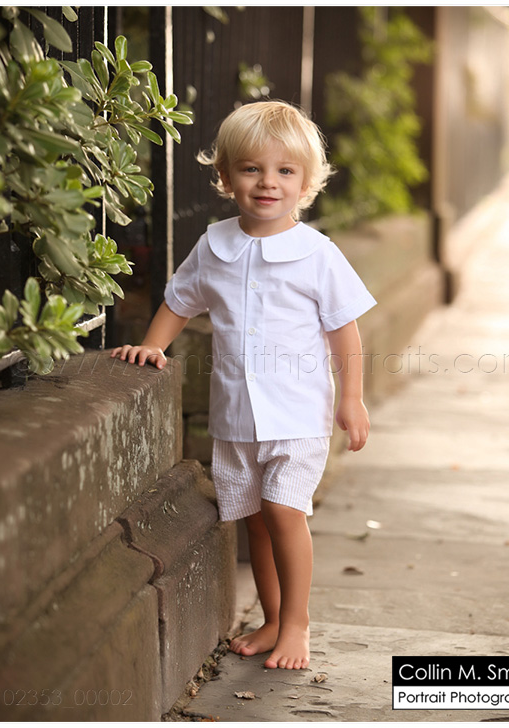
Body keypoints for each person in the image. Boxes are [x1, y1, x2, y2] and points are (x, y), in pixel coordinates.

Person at [111, 100, 377, 670]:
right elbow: (179, 301)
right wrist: (153, 345)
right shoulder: (214, 245)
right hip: (236, 417)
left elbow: (345, 330)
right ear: (226, 176)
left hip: (297, 415)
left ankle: (298, 623)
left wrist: (352, 399)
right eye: (252, 169)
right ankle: (272, 618)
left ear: (306, 182)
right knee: (256, 517)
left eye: (285, 171)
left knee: (284, 511)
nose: (267, 182)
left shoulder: (317, 254)